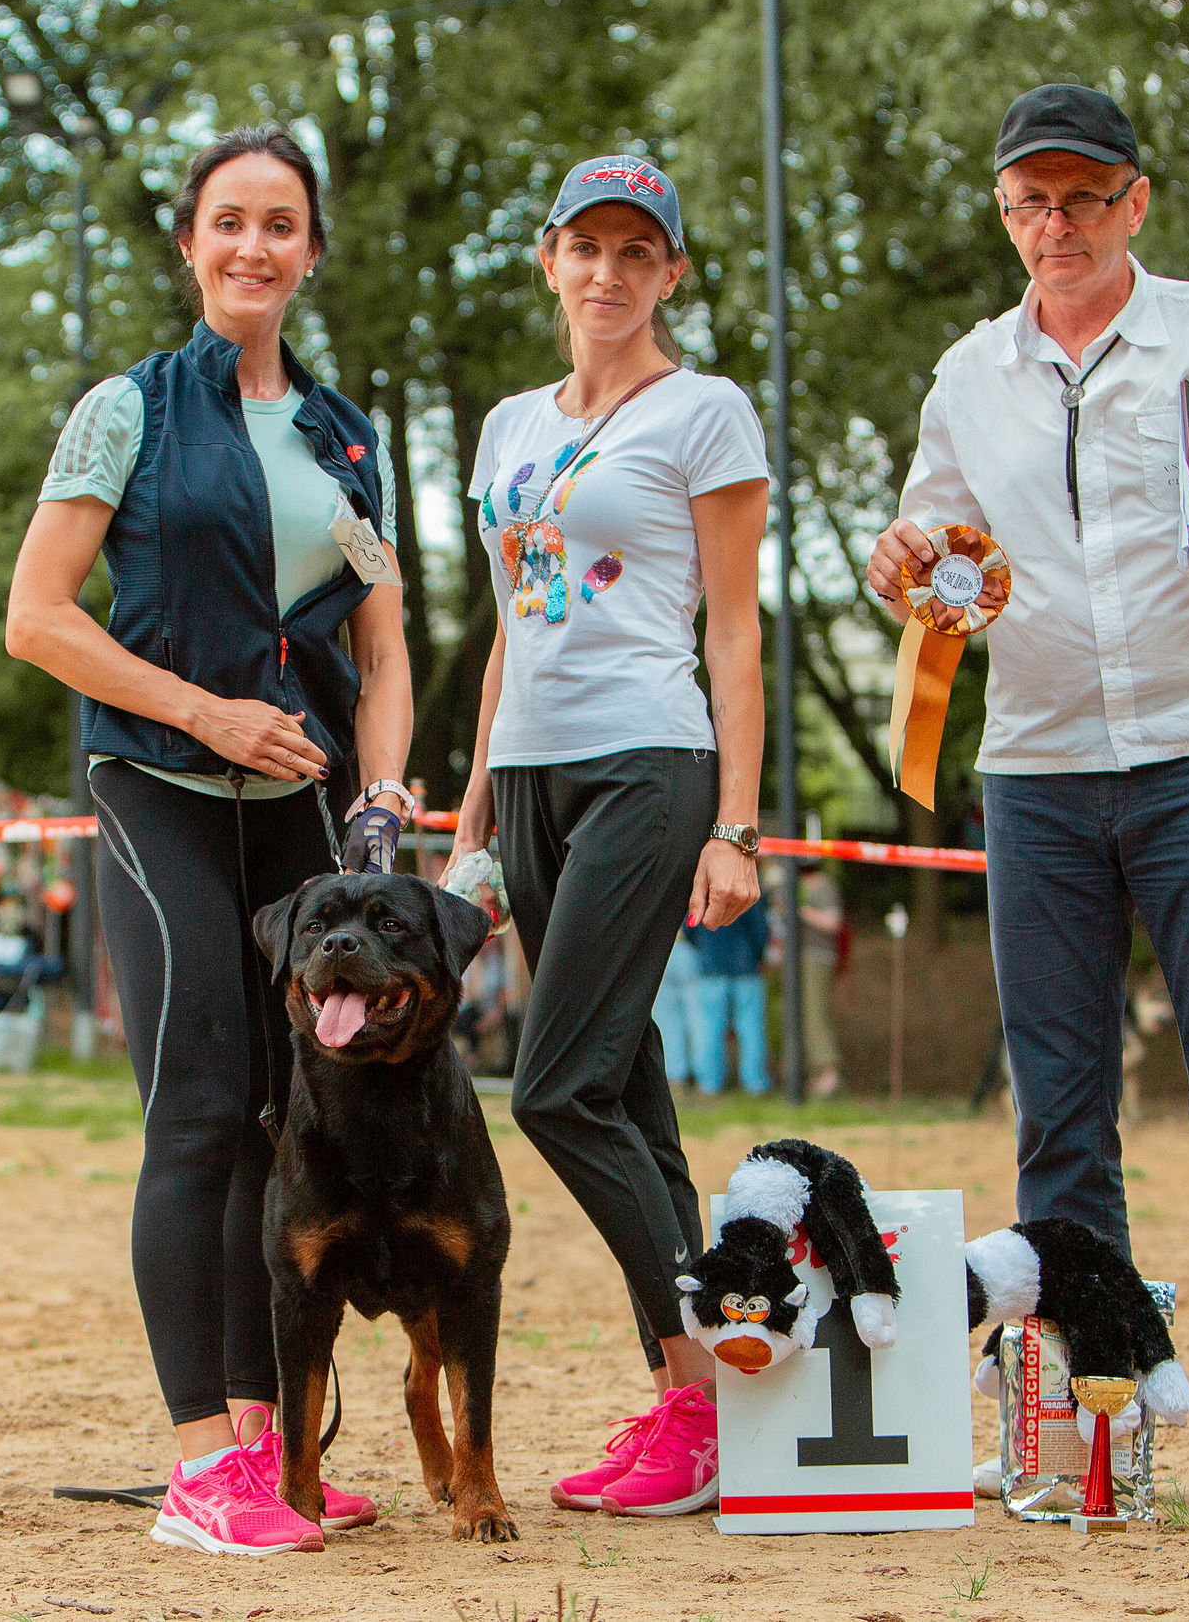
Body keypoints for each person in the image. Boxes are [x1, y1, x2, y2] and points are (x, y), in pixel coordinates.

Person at [867, 83, 1189, 1525]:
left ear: (1137, 201)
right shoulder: (967, 373)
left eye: (1084, 195)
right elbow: (930, 551)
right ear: (1005, 213)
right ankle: (1097, 1408)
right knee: (1060, 1115)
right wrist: (900, 555)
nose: (1057, 222)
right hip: (1036, 774)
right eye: (1032, 199)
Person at [4, 126, 412, 1555]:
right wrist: (208, 712)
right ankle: (198, 1468)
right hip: (158, 782)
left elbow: (384, 629)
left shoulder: (346, 431)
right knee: (197, 1107)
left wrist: (379, 788)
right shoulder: (124, 410)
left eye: (281, 224)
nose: (254, 246)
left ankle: (268, 1444)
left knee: (284, 1114)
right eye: (227, 221)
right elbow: (38, 615)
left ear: (312, 251)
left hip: (297, 812)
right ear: (189, 243)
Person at [449, 153, 767, 1519]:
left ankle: (702, 1388)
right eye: (587, 246)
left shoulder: (706, 410)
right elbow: (508, 637)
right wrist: (468, 820)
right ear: (548, 258)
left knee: (552, 1086)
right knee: (626, 1082)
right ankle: (700, 1407)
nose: (609, 273)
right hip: (529, 776)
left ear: (671, 272)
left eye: (638, 252)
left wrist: (739, 824)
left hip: (651, 761)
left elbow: (740, 630)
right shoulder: (511, 425)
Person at [687, 890, 769, 1095]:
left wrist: (704, 948)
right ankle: (755, 1084)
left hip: (711, 967)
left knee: (709, 1028)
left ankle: (709, 1084)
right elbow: (760, 930)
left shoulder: (703, 888)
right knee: (751, 1028)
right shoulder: (750, 888)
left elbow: (690, 926)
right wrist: (757, 955)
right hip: (746, 967)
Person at [793, 860, 847, 1098]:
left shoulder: (824, 886)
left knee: (815, 1014)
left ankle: (829, 1071)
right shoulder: (804, 886)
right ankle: (817, 1072)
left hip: (818, 957)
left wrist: (803, 912)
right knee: (806, 1014)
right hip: (805, 956)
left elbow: (834, 923)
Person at [650, 915, 707, 1090]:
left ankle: (675, 1076)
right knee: (698, 1020)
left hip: (661, 947)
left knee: (668, 1022)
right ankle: (704, 1077)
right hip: (688, 948)